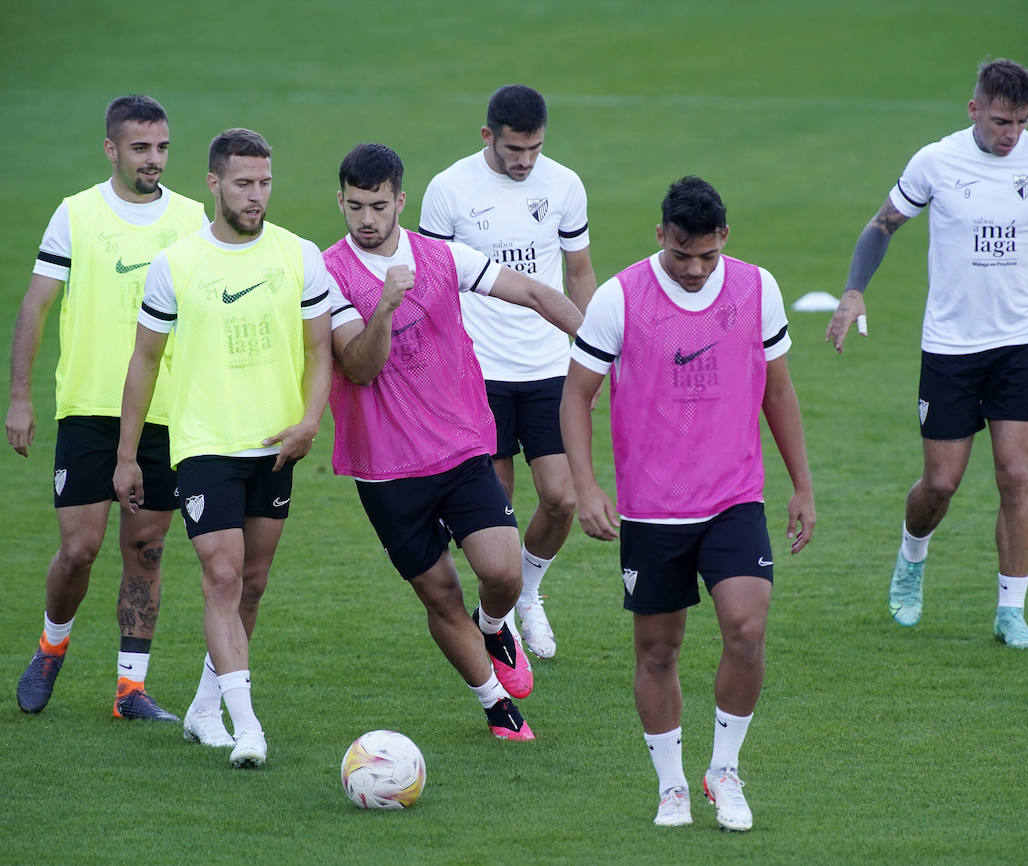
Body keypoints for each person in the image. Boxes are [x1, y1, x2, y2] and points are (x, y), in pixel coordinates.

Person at [562, 176, 815, 831]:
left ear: (724, 238)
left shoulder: (757, 289)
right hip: (651, 511)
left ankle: (724, 771)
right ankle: (671, 784)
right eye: (682, 255)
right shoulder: (619, 298)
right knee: (657, 651)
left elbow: (779, 392)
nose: (696, 269)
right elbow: (575, 397)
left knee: (747, 629)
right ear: (660, 237)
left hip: (734, 498)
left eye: (706, 255)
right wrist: (587, 488)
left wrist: (803, 486)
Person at [824, 58, 1028, 649]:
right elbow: (883, 225)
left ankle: (1011, 611)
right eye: (1001, 120)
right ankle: (912, 555)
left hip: (1020, 344)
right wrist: (853, 292)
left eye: (1021, 122)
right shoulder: (936, 162)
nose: (1011, 134)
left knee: (1016, 475)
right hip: (950, 347)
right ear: (975, 110)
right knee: (940, 484)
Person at [324, 143, 583, 741]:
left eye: (379, 206)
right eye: (356, 206)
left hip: (461, 447)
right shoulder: (326, 272)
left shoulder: (442, 256)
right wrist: (385, 306)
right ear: (340, 200)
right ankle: (496, 707)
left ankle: (494, 626)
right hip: (386, 469)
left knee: (503, 572)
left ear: (400, 202)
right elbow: (360, 367)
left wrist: (601, 349)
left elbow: (537, 294)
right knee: (439, 595)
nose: (367, 219)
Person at [114, 128, 332, 768]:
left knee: (254, 584)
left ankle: (205, 709)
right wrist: (128, 455)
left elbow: (320, 349)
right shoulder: (176, 265)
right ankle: (248, 726)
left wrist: (309, 423)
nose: (256, 195)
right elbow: (144, 362)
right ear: (214, 183)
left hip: (275, 444)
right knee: (222, 574)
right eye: (243, 183)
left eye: (264, 182)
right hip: (204, 444)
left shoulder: (297, 255)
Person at [7, 95, 207, 721]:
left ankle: (130, 690)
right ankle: (51, 645)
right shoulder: (76, 215)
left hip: (165, 412)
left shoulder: (194, 219)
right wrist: (20, 397)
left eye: (163, 147)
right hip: (91, 408)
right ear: (112, 149)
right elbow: (35, 307)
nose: (155, 159)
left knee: (146, 551)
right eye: (142, 147)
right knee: (80, 548)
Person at [418, 84, 598, 658]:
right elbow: (433, 286)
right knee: (498, 509)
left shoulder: (564, 185)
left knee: (562, 497)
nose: (525, 161)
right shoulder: (448, 189)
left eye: (535, 149)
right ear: (487, 136)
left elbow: (580, 273)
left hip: (548, 368)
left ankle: (529, 594)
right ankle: (500, 616)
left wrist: (590, 355)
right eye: (514, 149)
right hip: (478, 371)